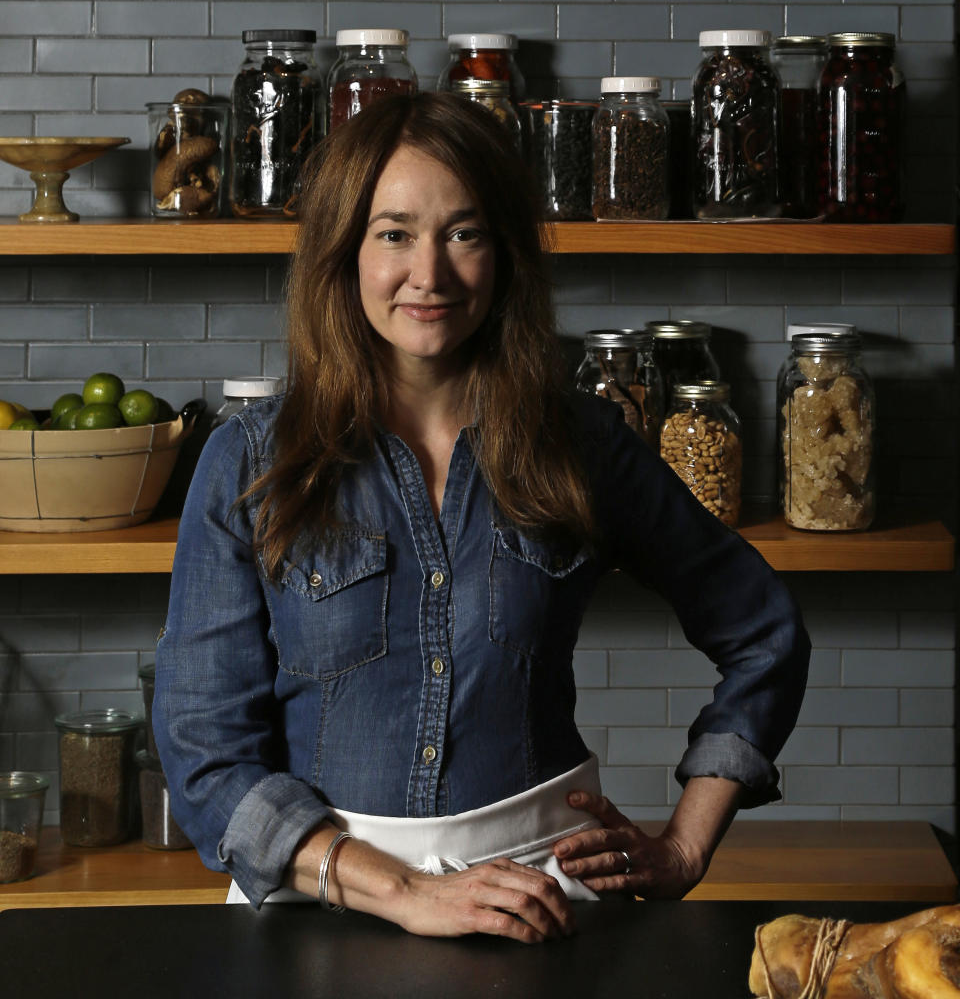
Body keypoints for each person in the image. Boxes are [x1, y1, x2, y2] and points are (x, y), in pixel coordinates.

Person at [154, 91, 809, 945]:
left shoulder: (581, 443)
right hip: (316, 899)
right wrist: (401, 892)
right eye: (393, 234)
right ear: (343, 252)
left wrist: (686, 845)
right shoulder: (249, 461)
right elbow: (204, 752)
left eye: (462, 233)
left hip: (543, 898)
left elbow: (763, 631)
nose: (430, 275)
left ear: (502, 255)